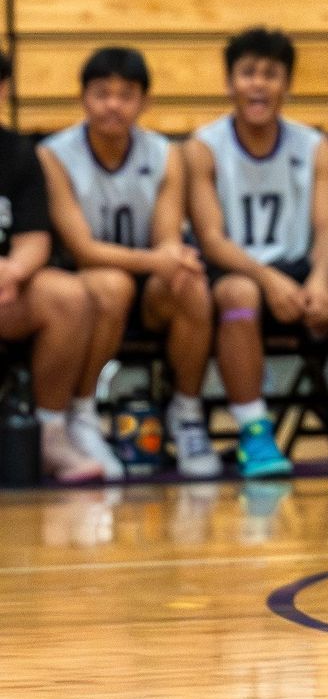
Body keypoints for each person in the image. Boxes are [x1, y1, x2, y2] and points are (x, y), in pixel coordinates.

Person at [184, 26, 328, 480]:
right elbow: (211, 238)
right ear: (230, 82)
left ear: (286, 85)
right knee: (237, 294)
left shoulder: (314, 145)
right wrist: (268, 279)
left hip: (298, 268)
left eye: (271, 74)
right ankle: (254, 431)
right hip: (238, 269)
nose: (258, 84)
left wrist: (318, 279)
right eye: (248, 73)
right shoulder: (203, 148)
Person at [39, 46, 218, 480]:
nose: (113, 105)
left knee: (190, 282)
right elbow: (82, 249)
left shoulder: (164, 154)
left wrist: (169, 259)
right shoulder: (54, 155)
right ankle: (82, 415)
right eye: (102, 93)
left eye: (125, 94)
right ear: (83, 98)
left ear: (144, 102)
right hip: (86, 290)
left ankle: (188, 413)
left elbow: (167, 242)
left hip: (149, 284)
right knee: (111, 283)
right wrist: (157, 259)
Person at [0, 51, 105, 482]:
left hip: (3, 292)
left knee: (68, 296)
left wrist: (14, 271)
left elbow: (34, 239)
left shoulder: (17, 153)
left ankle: (49, 438)